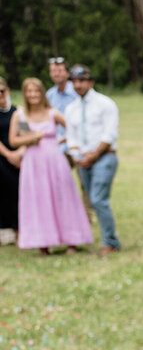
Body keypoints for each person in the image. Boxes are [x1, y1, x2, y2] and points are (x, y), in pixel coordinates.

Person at [11, 77, 92, 254]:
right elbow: (15, 140)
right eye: (29, 91)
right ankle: (43, 243)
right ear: (25, 94)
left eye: (36, 91)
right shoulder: (21, 115)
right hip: (33, 163)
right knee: (39, 200)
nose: (33, 94)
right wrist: (31, 138)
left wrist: (63, 140)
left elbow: (73, 129)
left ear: (42, 93)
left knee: (63, 196)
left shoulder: (52, 113)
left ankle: (73, 240)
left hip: (54, 160)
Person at [63, 65, 120, 254]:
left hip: (104, 157)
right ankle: (96, 238)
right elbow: (71, 136)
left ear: (90, 82)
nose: (77, 85)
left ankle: (110, 242)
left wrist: (94, 154)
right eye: (74, 81)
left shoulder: (105, 104)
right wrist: (77, 155)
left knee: (97, 199)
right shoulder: (71, 109)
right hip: (83, 160)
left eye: (81, 80)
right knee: (90, 199)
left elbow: (110, 133)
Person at [0, 77, 21, 246]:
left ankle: (20, 228)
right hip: (3, 158)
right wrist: (8, 155)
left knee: (19, 193)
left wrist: (19, 154)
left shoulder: (18, 112)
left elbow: (27, 135)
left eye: (1, 91)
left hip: (19, 158)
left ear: (7, 91)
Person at [44, 57, 77, 156]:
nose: (56, 74)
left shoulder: (77, 91)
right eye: (53, 71)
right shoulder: (49, 95)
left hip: (76, 141)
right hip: (56, 144)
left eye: (59, 71)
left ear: (67, 73)